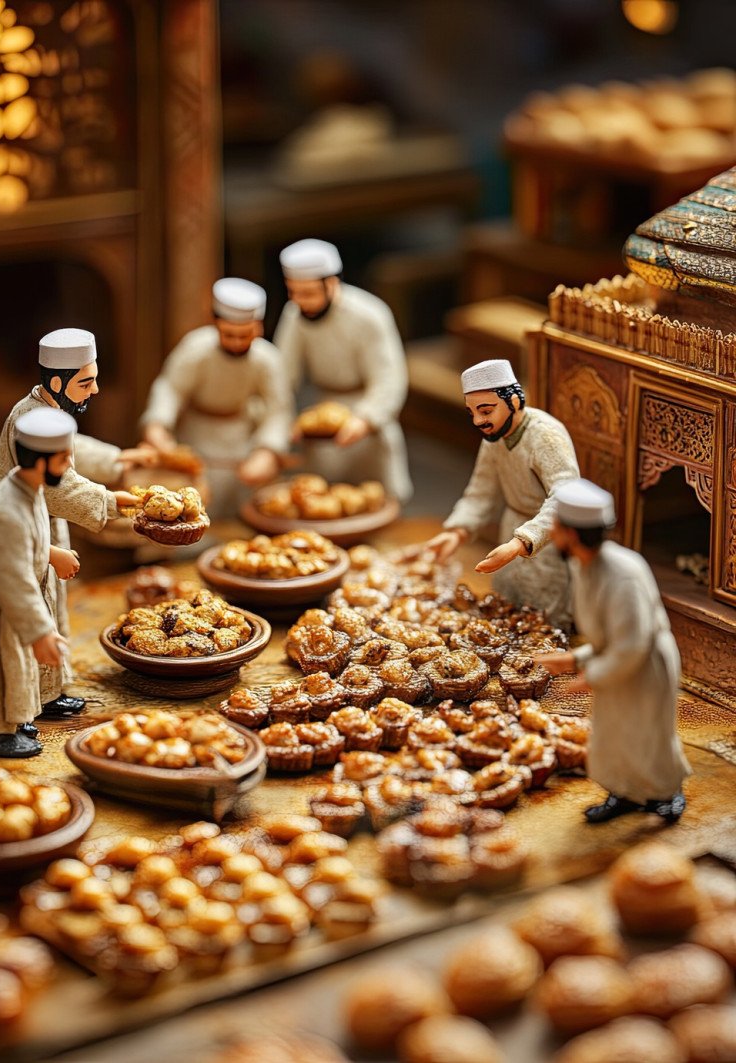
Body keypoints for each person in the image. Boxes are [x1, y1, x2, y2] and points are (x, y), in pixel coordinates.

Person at [0, 328, 143, 719]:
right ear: (57, 382)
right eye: (86, 382)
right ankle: (13, 713)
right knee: (28, 625)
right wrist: (111, 502)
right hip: (23, 532)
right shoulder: (29, 420)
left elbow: (74, 450)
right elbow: (58, 485)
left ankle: (47, 692)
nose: (95, 390)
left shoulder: (51, 412)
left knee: (52, 614)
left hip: (46, 527)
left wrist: (119, 461)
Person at [536, 478, 691, 824]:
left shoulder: (624, 575)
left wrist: (591, 676)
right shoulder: (583, 564)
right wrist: (574, 659)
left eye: (557, 526)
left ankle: (666, 792)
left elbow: (632, 644)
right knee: (613, 732)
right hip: (616, 661)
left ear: (573, 534)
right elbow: (608, 637)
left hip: (645, 667)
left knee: (647, 733)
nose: (553, 533)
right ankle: (624, 792)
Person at [411, 359, 579, 628]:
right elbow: (481, 492)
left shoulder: (545, 435)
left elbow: (566, 496)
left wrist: (521, 543)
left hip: (547, 537)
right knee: (504, 607)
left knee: (544, 619)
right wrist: (457, 532)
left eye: (486, 411)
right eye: (472, 413)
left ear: (513, 401)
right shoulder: (494, 438)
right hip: (510, 529)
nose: (478, 421)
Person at [0, 409, 78, 758]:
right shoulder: (5, 509)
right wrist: (41, 631)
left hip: (17, 599)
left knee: (17, 665)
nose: (68, 464)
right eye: (63, 458)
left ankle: (14, 718)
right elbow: (15, 578)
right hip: (2, 602)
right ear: (40, 462)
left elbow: (33, 545)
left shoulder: (29, 489)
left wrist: (53, 554)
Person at [141, 278, 293, 517]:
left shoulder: (267, 359)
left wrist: (268, 451)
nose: (236, 342)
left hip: (240, 440)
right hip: (196, 437)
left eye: (245, 335)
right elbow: (171, 388)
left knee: (240, 508)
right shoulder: (196, 348)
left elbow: (278, 409)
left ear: (258, 328)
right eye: (228, 334)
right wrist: (158, 425)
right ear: (215, 324)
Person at [274, 238, 412, 502]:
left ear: (332, 283)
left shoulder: (370, 315)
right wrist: (281, 420)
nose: (300, 301)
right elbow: (282, 374)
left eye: (308, 294)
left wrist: (366, 418)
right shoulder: (294, 313)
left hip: (366, 415)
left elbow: (389, 378)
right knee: (320, 495)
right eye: (293, 292)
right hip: (323, 414)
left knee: (379, 500)